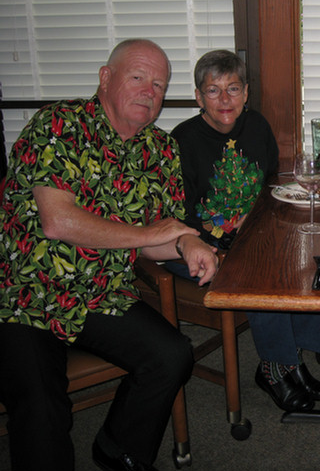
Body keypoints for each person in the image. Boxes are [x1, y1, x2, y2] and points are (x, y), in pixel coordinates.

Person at [0, 39, 219, 471]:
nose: (149, 91)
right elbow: (58, 222)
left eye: (159, 84)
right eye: (137, 77)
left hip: (101, 293)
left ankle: (119, 449)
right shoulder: (58, 123)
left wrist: (186, 241)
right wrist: (155, 233)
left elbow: (157, 237)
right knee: (43, 413)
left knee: (172, 356)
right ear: (106, 77)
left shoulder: (160, 149)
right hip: (27, 293)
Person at [169, 49, 320, 413]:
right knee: (260, 274)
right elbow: (176, 213)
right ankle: (274, 368)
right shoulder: (181, 141)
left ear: (246, 92)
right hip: (200, 244)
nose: (225, 99)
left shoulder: (257, 126)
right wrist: (227, 230)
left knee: (308, 253)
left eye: (234, 88)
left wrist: (261, 220)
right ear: (198, 97)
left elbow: (271, 184)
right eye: (213, 91)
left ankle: (293, 360)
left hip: (253, 233)